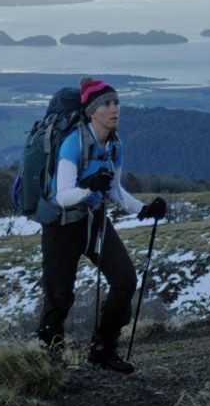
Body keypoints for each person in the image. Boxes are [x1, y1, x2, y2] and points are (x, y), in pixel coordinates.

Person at [37, 78, 167, 374]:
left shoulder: (115, 144)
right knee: (59, 296)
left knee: (125, 279)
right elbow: (62, 195)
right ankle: (50, 360)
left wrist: (144, 209)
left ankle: (103, 350)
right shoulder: (73, 142)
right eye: (106, 104)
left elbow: (115, 190)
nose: (114, 109)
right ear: (92, 111)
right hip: (61, 226)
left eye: (116, 102)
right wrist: (88, 187)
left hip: (94, 222)